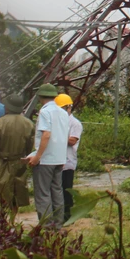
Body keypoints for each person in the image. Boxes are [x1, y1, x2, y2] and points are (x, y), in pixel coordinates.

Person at [0, 94, 35, 221]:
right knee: (15, 192)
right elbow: (29, 146)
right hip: (19, 163)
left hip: (0, 162)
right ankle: (11, 221)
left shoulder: (0, 122)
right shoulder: (28, 123)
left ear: (8, 108)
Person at [27, 83, 69, 226]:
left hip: (45, 160)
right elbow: (63, 135)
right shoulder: (63, 113)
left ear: (40, 97)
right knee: (57, 191)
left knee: (43, 193)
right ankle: (58, 224)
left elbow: (46, 135)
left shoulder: (45, 112)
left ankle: (46, 226)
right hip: (59, 158)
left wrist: (37, 156)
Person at [55, 93, 82, 222]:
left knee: (66, 189)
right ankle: (57, 214)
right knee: (56, 189)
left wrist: (56, 136)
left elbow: (72, 141)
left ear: (69, 108)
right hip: (56, 160)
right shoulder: (57, 121)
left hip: (68, 161)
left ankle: (67, 214)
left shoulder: (75, 124)